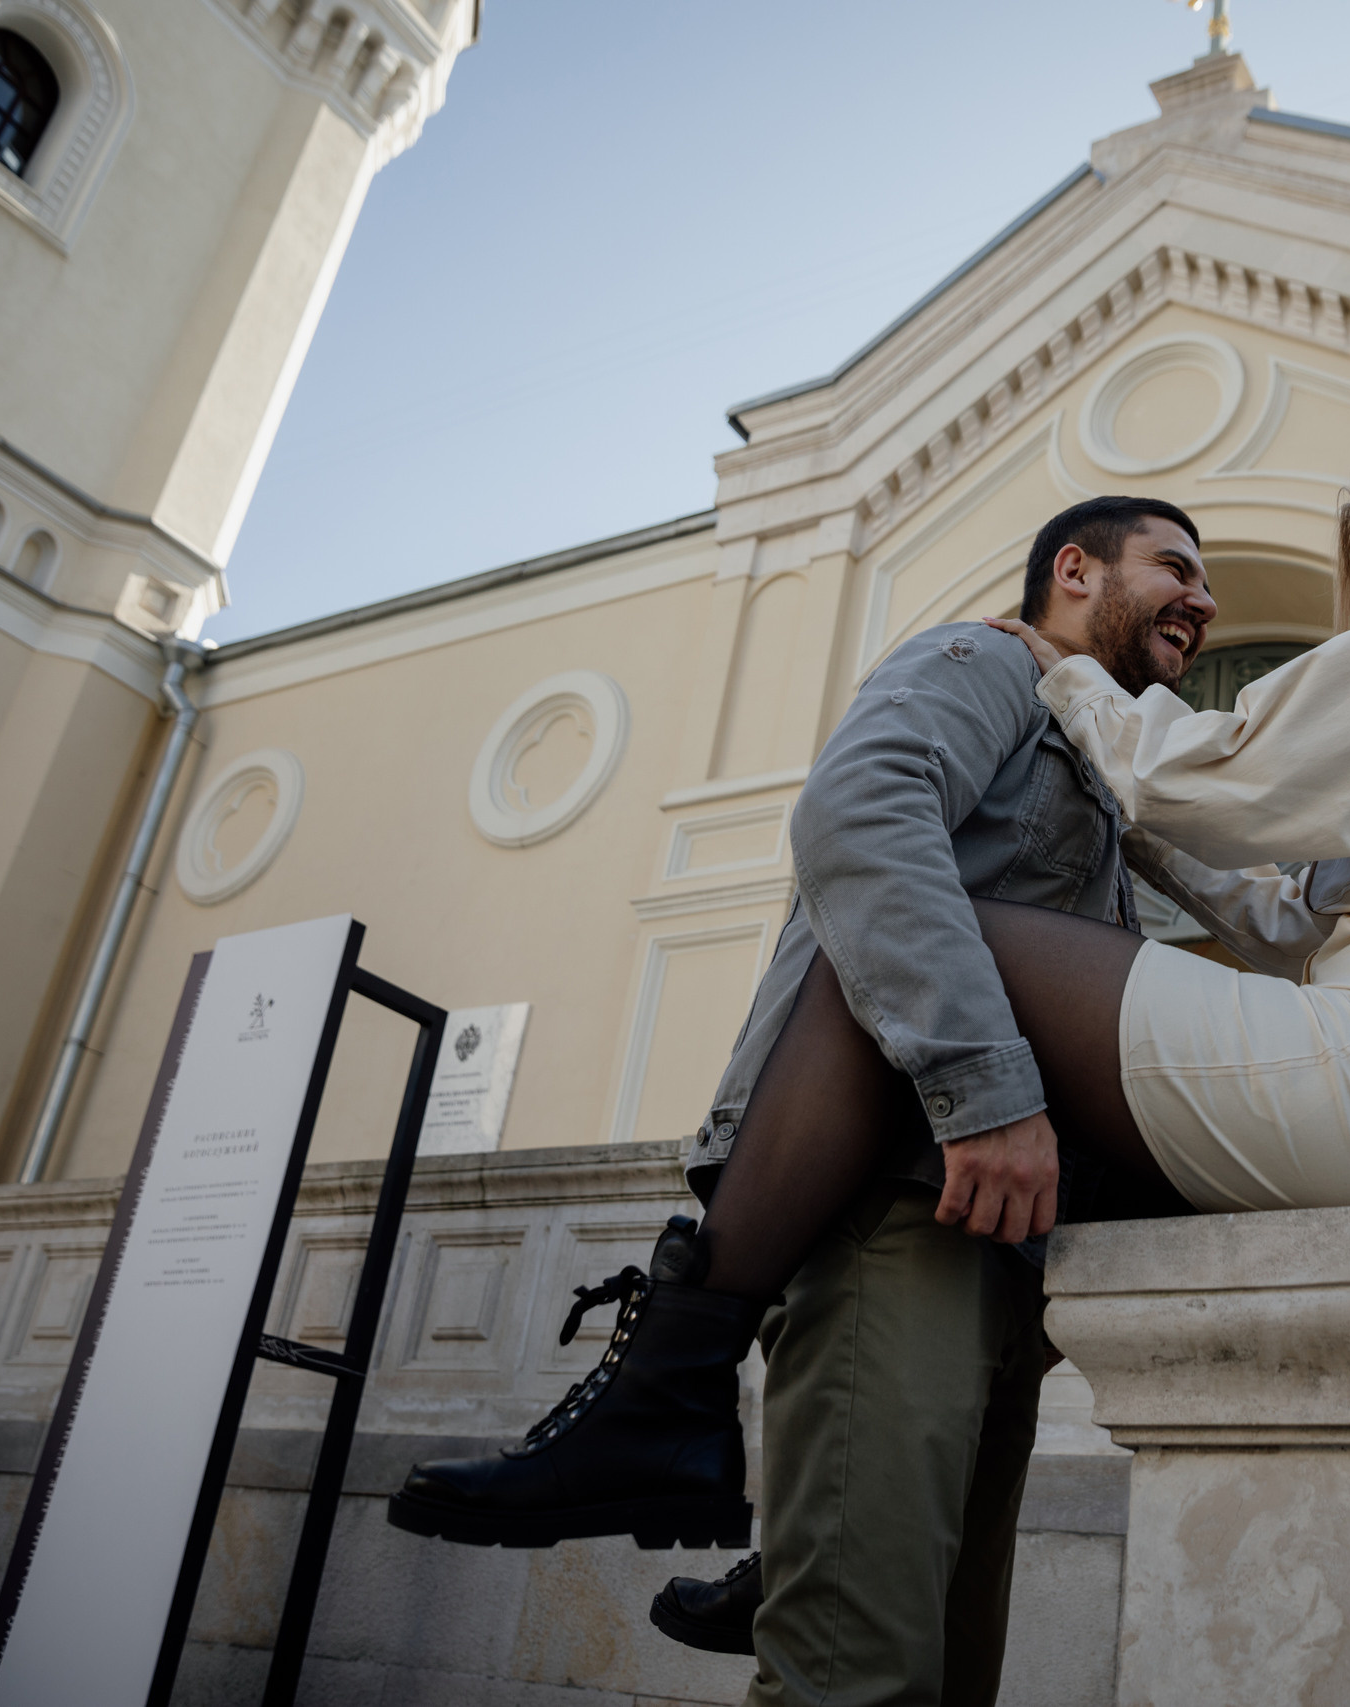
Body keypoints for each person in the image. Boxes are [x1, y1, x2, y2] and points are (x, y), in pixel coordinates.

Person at [388, 495, 1216, 1706]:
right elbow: (859, 817)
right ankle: (678, 1426)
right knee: (856, 1677)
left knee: (945, 1670)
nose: (1202, 597)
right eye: (1176, 567)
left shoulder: (1102, 755)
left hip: (997, 1247)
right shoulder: (981, 658)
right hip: (895, 1206)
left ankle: (771, 1532)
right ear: (1076, 571)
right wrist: (984, 1092)